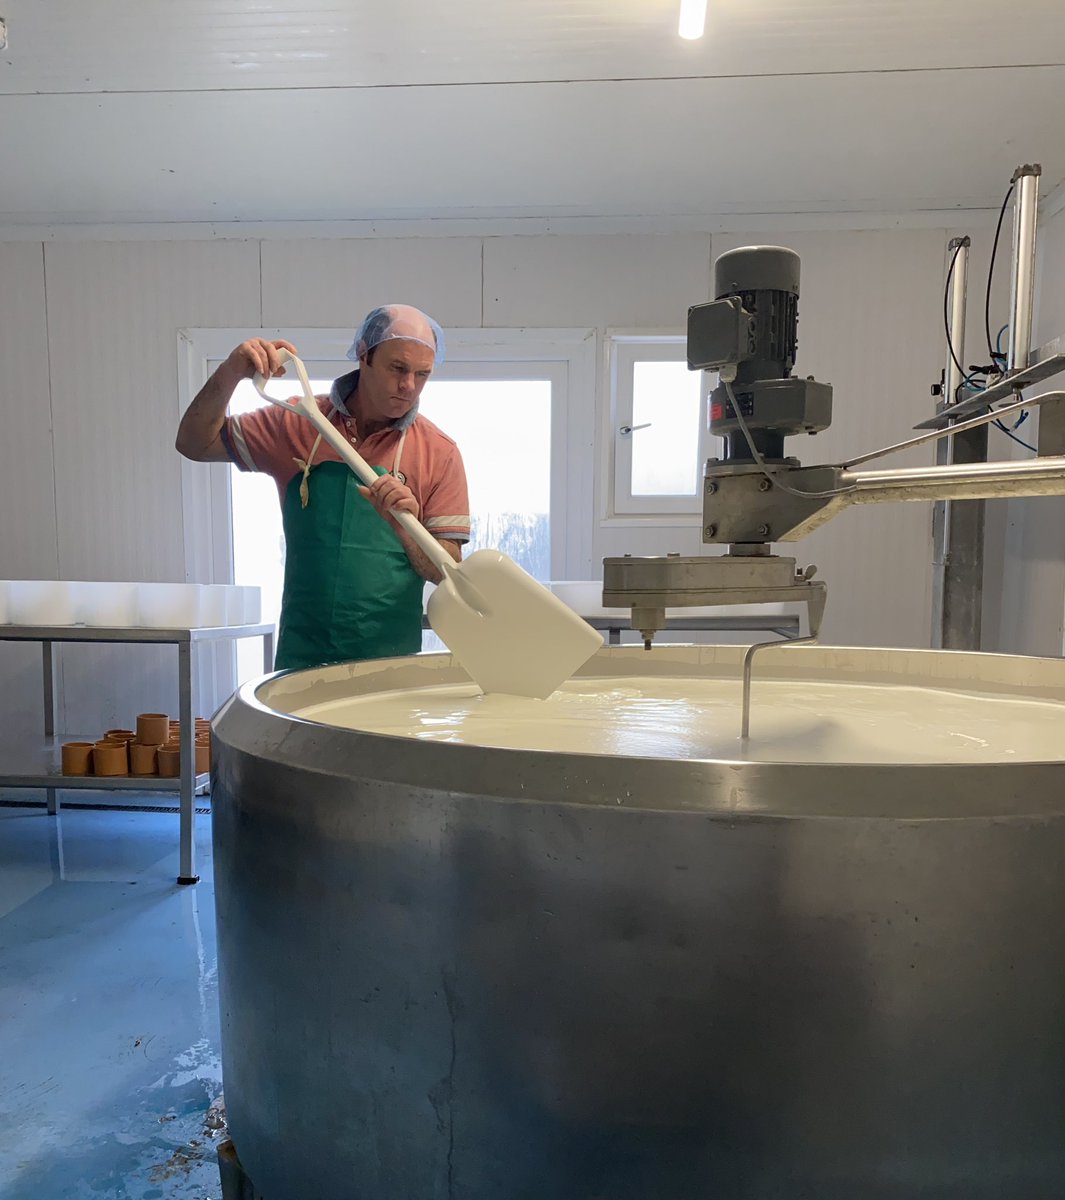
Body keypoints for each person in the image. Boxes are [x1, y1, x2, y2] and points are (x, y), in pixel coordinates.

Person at [175, 304, 470, 670]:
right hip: (301, 660)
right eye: (398, 368)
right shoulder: (296, 423)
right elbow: (193, 443)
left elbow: (447, 572)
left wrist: (404, 528)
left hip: (391, 670)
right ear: (364, 355)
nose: (408, 386)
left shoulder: (439, 452)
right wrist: (233, 370)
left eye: (422, 374)